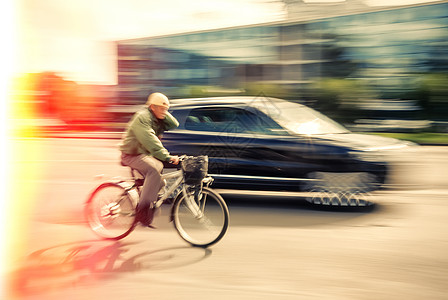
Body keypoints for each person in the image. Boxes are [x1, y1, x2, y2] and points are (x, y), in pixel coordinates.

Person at [119, 92, 180, 226]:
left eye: (167, 110)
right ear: (152, 107)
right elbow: (150, 140)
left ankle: (145, 197)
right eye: (162, 109)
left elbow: (174, 124)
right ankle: (142, 211)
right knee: (153, 170)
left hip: (142, 154)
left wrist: (163, 110)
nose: (165, 112)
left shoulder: (156, 117)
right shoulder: (142, 117)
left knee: (160, 178)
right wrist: (167, 156)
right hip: (131, 154)